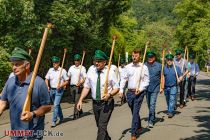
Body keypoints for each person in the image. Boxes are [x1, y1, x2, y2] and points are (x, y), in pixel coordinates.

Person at [0, 47, 51, 139]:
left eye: (17, 64)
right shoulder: (10, 82)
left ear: (27, 65)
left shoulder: (39, 83)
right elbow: (3, 102)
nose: (14, 67)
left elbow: (47, 107)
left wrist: (33, 114)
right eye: (13, 64)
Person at [77, 50, 119, 140]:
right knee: (99, 126)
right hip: (95, 103)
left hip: (107, 103)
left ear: (105, 62)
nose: (96, 63)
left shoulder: (110, 72)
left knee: (102, 126)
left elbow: (116, 88)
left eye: (99, 61)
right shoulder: (91, 70)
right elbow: (86, 87)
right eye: (95, 60)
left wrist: (109, 94)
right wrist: (80, 100)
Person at [119, 48, 149, 140]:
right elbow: (123, 79)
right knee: (133, 111)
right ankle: (139, 126)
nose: (134, 57)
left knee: (135, 112)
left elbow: (147, 81)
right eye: (133, 55)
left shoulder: (144, 67)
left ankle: (134, 133)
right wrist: (121, 90)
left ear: (139, 56)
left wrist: (140, 89)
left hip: (139, 93)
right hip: (130, 93)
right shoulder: (127, 67)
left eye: (136, 55)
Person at [45, 56, 69, 127]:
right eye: (53, 62)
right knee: (57, 105)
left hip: (59, 90)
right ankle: (61, 117)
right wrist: (47, 86)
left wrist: (61, 85)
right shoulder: (50, 70)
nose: (54, 63)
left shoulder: (63, 71)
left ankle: (54, 121)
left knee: (55, 105)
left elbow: (67, 81)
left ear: (59, 63)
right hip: (52, 90)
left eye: (56, 62)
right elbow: (46, 79)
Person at [145, 51, 162, 128]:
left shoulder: (159, 65)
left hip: (155, 87)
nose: (150, 58)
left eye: (152, 57)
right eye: (149, 57)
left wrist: (162, 87)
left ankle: (150, 120)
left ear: (154, 58)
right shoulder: (144, 65)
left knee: (152, 104)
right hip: (146, 88)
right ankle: (153, 115)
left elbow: (162, 77)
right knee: (149, 104)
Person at [67, 54, 86, 119]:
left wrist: (80, 82)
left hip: (79, 87)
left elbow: (85, 78)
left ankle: (75, 114)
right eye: (75, 60)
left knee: (76, 100)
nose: (76, 62)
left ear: (80, 61)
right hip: (71, 86)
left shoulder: (82, 68)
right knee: (74, 100)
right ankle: (80, 110)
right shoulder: (71, 67)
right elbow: (68, 76)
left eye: (77, 60)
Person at [163, 54, 182, 118]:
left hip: (173, 86)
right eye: (168, 60)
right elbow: (162, 77)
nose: (169, 61)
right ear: (166, 60)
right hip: (166, 87)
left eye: (170, 60)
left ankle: (170, 112)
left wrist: (180, 79)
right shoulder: (163, 68)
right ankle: (169, 108)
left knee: (172, 99)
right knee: (168, 99)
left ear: (172, 60)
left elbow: (180, 76)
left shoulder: (177, 68)